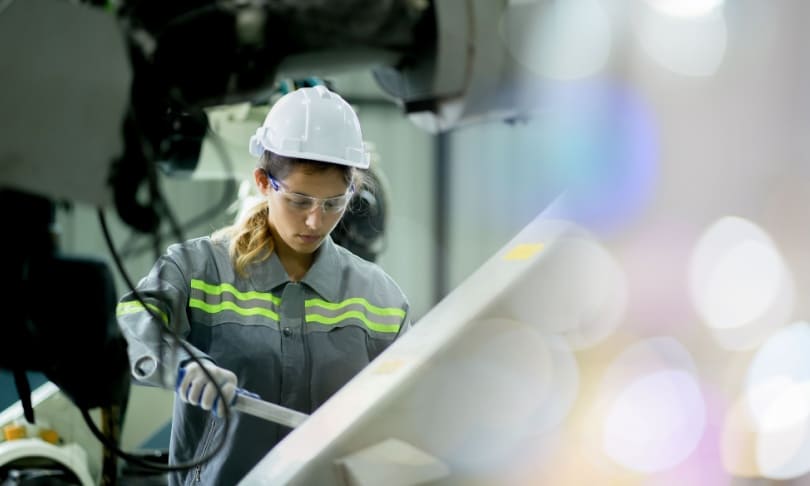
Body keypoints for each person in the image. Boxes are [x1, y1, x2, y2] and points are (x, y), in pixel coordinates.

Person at [115, 85, 412, 485]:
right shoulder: (198, 269)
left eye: (333, 204)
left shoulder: (382, 299)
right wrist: (184, 366)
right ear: (263, 181)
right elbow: (133, 320)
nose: (315, 222)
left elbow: (408, 413)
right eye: (300, 201)